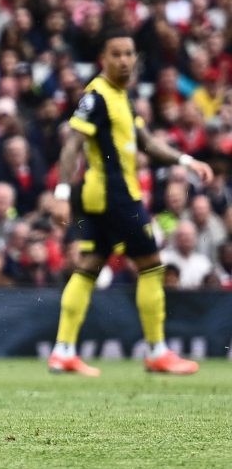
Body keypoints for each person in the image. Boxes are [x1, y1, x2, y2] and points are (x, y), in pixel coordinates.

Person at [50, 29, 214, 377]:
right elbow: (71, 144)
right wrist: (62, 193)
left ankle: (63, 350)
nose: (124, 60)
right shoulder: (96, 96)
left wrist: (187, 162)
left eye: (129, 53)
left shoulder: (121, 96)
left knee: (90, 266)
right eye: (117, 54)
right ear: (104, 59)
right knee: (152, 264)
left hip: (105, 197)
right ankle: (157, 351)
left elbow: (148, 144)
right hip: (115, 194)